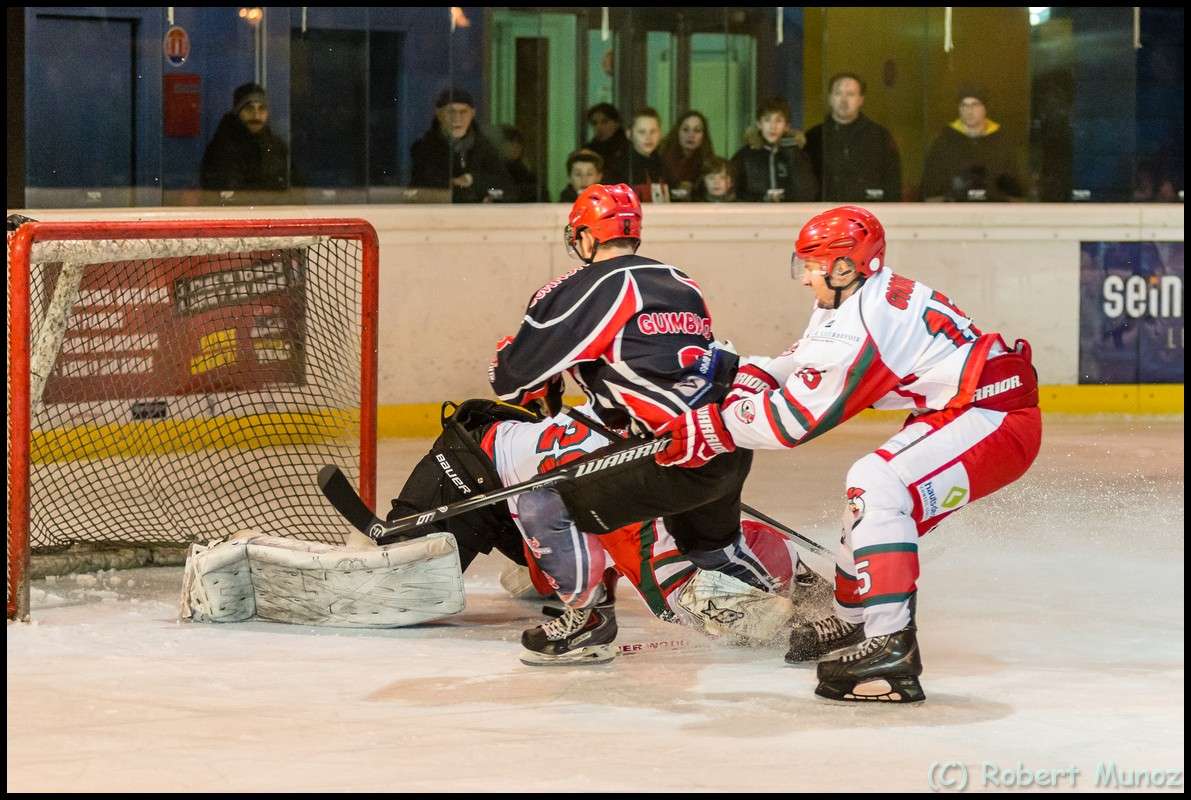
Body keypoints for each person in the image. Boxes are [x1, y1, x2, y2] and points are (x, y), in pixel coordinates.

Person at [654, 205, 1042, 703]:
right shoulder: (853, 297)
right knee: (862, 508)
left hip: (994, 418)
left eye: (812, 266)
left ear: (845, 267)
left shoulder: (866, 317)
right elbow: (805, 359)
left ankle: (891, 642)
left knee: (876, 483)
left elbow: (794, 422)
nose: (804, 278)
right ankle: (853, 626)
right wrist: (760, 372)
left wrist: (715, 425)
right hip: (962, 409)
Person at [489, 184, 793, 664]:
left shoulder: (590, 287)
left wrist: (509, 355)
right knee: (712, 547)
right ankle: (805, 606)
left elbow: (511, 383)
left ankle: (585, 619)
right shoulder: (681, 280)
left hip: (665, 456)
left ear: (587, 236)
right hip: (726, 445)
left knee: (544, 489)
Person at [384, 398, 822, 664]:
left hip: (530, 485)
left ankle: (544, 578)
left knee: (625, 557)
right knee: (400, 584)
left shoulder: (641, 434)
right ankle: (547, 581)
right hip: (471, 465)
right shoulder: (635, 439)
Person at [803, 73, 902, 202]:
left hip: (869, 212)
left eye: (850, 94)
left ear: (861, 100)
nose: (844, 100)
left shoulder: (879, 136)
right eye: (838, 93)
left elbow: (892, 182)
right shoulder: (815, 137)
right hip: (825, 214)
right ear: (830, 98)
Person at [921, 85, 1026, 201]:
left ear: (985, 108)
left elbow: (1014, 192)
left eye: (975, 105)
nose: (969, 110)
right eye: (964, 105)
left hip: (994, 213)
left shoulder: (1002, 141)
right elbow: (932, 191)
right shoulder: (943, 142)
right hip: (954, 213)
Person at [410, 87, 514, 203]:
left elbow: (506, 188)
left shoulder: (484, 147)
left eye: (463, 112)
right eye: (451, 112)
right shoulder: (424, 149)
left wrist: (472, 180)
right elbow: (418, 190)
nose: (457, 118)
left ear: (473, 113)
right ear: (439, 114)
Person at [200, 82, 290, 191]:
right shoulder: (221, 148)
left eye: (261, 109)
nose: (256, 116)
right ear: (237, 112)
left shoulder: (278, 147)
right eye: (249, 109)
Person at [731, 97, 817, 202]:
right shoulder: (744, 156)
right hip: (754, 215)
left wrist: (792, 155)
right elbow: (735, 193)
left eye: (778, 121)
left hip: (791, 214)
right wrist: (762, 198)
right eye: (767, 120)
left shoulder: (798, 155)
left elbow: (808, 192)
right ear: (759, 124)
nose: (773, 126)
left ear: (786, 126)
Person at [607, 108, 669, 202]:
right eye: (642, 132)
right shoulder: (617, 167)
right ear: (629, 134)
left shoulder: (666, 164)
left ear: (660, 133)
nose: (648, 137)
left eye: (653, 131)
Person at [659, 110, 716, 201]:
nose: (691, 135)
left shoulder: (708, 163)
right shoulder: (661, 158)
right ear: (677, 132)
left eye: (697, 130)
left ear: (704, 136)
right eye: (685, 129)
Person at [582, 103, 630, 183]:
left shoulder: (627, 148)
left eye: (604, 122)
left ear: (616, 123)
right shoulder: (589, 151)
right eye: (594, 123)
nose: (599, 127)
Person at [498, 125, 546, 202]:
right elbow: (492, 191)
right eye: (511, 143)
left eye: (518, 143)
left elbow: (540, 191)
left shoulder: (524, 170)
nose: (515, 147)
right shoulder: (495, 168)